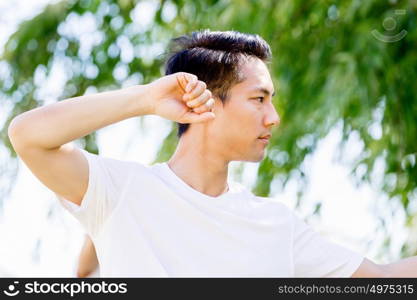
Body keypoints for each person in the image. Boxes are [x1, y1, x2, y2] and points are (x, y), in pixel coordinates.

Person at [8, 29, 417, 277]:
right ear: (207, 102)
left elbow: (382, 276)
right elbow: (28, 135)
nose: (273, 118)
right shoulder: (121, 192)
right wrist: (147, 99)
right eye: (259, 99)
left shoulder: (275, 224)